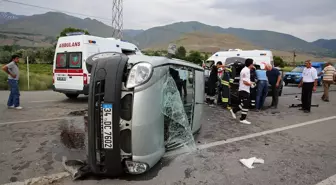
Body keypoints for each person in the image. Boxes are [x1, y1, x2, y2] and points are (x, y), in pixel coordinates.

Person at [232, 58, 255, 124]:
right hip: (243, 89)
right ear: (250, 64)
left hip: (245, 89)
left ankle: (234, 110)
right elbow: (245, 82)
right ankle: (242, 118)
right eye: (252, 63)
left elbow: (246, 80)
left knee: (245, 103)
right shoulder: (246, 70)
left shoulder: (247, 70)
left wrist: (251, 83)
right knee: (246, 104)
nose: (253, 65)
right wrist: (251, 84)